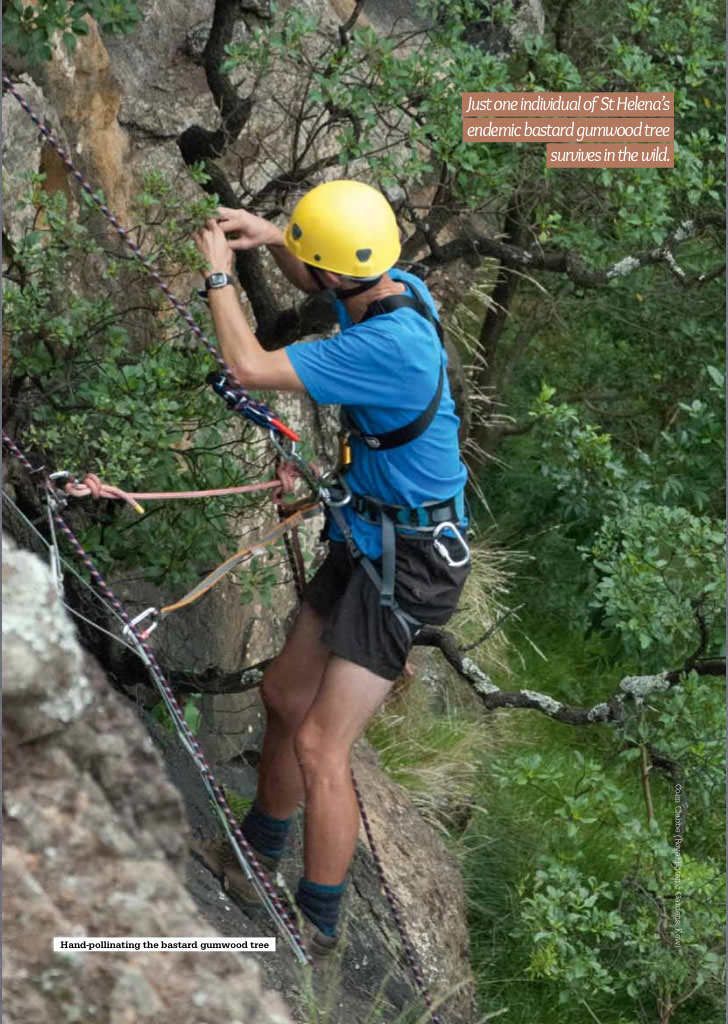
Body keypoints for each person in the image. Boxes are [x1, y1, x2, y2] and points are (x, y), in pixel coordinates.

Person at [192, 179, 469, 957]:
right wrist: (274, 236)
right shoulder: (393, 289)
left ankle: (315, 928)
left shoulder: (385, 347)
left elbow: (246, 365)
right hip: (367, 536)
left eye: (312, 260)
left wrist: (219, 272)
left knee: (322, 745)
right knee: (284, 695)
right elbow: (325, 274)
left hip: (410, 566)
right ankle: (253, 862)